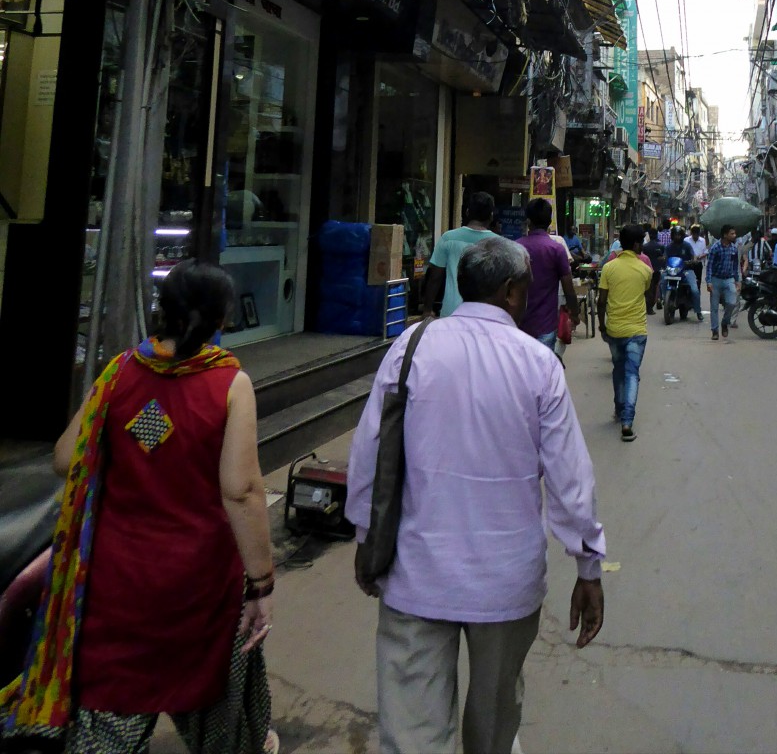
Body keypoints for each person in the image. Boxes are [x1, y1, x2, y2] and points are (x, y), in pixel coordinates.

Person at [1, 261, 278, 754]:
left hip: (118, 579)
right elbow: (242, 491)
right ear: (220, 319)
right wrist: (261, 582)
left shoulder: (119, 371)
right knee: (214, 690)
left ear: (163, 311)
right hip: (199, 583)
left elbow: (66, 459)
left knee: (115, 703)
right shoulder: (230, 383)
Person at [345, 237, 605, 754]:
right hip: (504, 581)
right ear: (511, 292)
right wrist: (588, 566)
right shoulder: (538, 364)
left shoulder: (411, 347)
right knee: (494, 722)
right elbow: (570, 481)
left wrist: (365, 538)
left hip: (415, 572)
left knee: (413, 731)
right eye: (527, 288)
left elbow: (369, 453)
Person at [598, 223, 654, 442]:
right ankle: (627, 422)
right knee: (632, 373)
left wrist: (602, 326)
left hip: (614, 329)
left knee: (618, 369)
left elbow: (602, 301)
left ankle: (619, 409)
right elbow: (647, 296)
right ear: (638, 244)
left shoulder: (609, 268)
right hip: (637, 330)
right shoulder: (645, 270)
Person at [516, 198, 580, 350]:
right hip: (545, 325)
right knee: (542, 371)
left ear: (528, 221)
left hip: (519, 324)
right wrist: (575, 313)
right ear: (550, 221)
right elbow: (568, 287)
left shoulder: (515, 247)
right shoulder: (556, 249)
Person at [421, 192, 496, 317]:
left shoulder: (448, 238)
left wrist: (427, 309)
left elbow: (435, 277)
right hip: (485, 315)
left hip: (451, 312)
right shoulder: (498, 244)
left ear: (467, 212)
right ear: (491, 216)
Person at [706, 225, 741, 341]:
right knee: (714, 307)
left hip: (729, 279)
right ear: (725, 235)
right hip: (716, 279)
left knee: (732, 303)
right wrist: (709, 281)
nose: (734, 236)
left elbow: (735, 265)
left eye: (734, 234)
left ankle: (725, 323)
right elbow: (709, 265)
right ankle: (715, 331)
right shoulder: (715, 248)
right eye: (732, 234)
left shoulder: (733, 248)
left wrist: (737, 280)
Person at [663, 227, 703, 321]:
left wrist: (693, 261)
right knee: (662, 279)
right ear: (672, 236)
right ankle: (663, 299)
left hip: (686, 270)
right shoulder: (668, 247)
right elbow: (665, 257)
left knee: (695, 290)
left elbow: (693, 256)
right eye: (675, 235)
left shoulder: (687, 245)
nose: (677, 237)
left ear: (682, 235)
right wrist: (663, 260)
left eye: (679, 235)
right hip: (672, 271)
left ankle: (698, 311)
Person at [641, 223, 667, 314]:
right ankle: (651, 306)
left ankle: (648, 307)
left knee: (648, 289)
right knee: (655, 289)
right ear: (656, 235)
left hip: (646, 270)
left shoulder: (645, 246)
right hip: (657, 270)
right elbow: (663, 258)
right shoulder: (660, 246)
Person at [688, 224, 708, 292]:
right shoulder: (686, 240)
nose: (695, 236)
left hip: (698, 264)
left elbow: (705, 252)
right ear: (691, 233)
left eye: (697, 234)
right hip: (689, 264)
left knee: (698, 282)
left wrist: (699, 257)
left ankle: (697, 296)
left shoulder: (702, 241)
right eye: (694, 235)